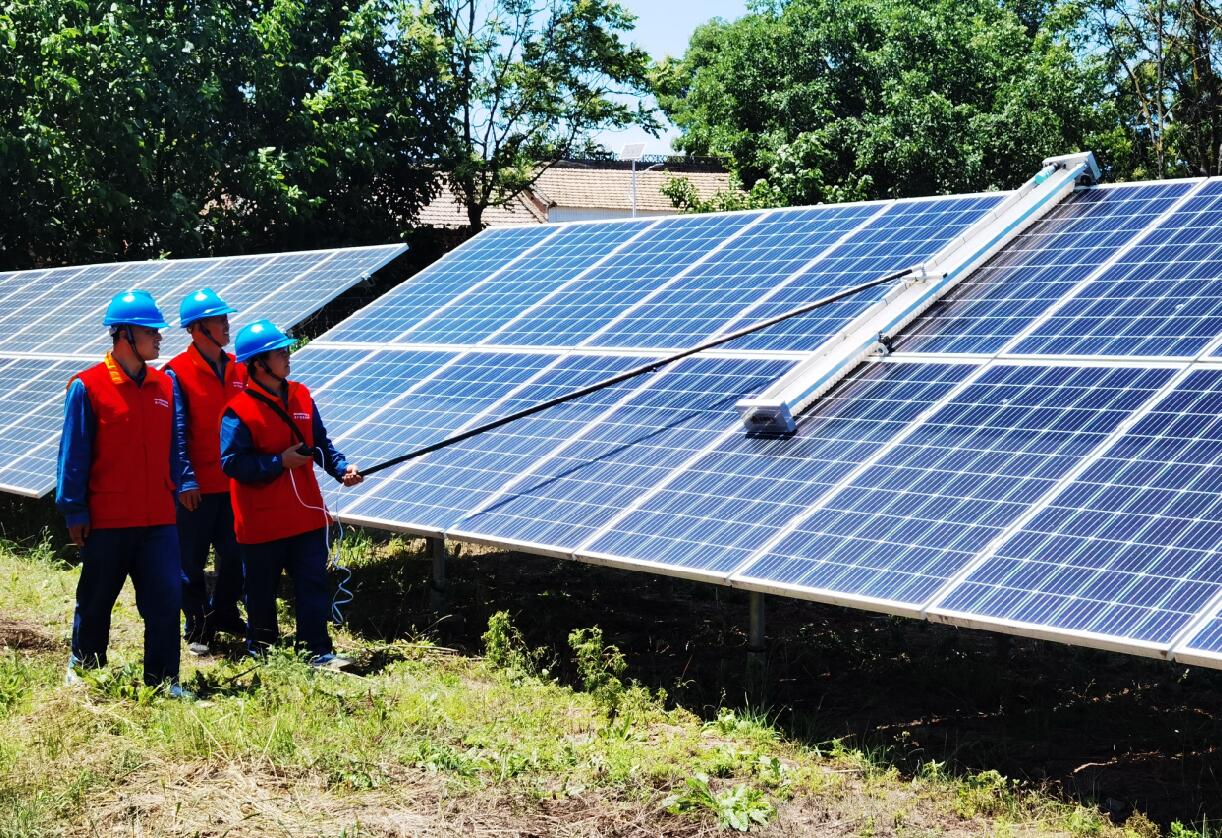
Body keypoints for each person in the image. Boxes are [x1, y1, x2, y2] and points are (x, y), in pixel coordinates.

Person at [56, 290, 193, 696]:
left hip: (158, 520)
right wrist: (74, 510)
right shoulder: (89, 386)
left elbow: (174, 447)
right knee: (97, 599)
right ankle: (86, 671)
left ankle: (164, 681)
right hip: (108, 519)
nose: (159, 338)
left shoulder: (164, 386)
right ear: (126, 335)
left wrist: (180, 486)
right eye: (152, 331)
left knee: (167, 600)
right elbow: (73, 453)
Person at [220, 320, 362, 668]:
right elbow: (232, 463)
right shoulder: (237, 411)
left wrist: (341, 469)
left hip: (306, 517)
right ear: (258, 364)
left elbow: (321, 443)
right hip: (262, 523)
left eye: (286, 350)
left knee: (313, 584)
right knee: (261, 593)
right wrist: (277, 462)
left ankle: (318, 650)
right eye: (279, 352)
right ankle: (263, 651)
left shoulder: (300, 393)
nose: (287, 356)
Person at [165, 288, 248, 656]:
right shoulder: (176, 372)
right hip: (196, 488)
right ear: (198, 329)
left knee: (235, 557)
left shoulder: (238, 369)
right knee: (191, 563)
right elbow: (176, 430)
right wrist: (186, 479)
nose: (227, 324)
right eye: (219, 319)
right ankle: (197, 625)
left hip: (235, 485)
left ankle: (226, 613)